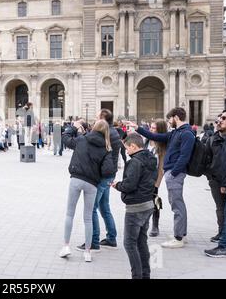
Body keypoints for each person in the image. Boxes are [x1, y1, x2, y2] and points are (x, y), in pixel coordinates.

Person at [127, 107, 195, 248]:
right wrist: (138, 128)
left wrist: (173, 172)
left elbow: (185, 156)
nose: (169, 121)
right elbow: (155, 136)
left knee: (177, 205)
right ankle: (182, 234)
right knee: (175, 203)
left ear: (176, 117)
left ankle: (178, 238)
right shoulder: (176, 132)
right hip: (171, 172)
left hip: (174, 173)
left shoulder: (187, 133)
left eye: (170, 118)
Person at [59, 119, 115, 262]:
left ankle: (66, 246)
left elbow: (65, 139)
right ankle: (88, 252)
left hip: (76, 179)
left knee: (69, 214)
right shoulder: (106, 148)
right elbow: (108, 171)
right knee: (88, 218)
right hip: (92, 184)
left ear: (94, 128)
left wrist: (73, 127)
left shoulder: (82, 139)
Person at [112, 133, 158, 279]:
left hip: (136, 207)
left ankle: (137, 275)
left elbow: (129, 185)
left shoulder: (135, 162)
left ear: (133, 146)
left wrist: (117, 185)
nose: (126, 151)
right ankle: (146, 274)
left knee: (129, 243)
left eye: (126, 148)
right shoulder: (151, 158)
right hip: (148, 204)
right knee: (141, 241)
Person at [78, 109, 121, 252]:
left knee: (92, 209)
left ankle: (94, 242)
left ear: (102, 119)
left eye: (97, 117)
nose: (95, 119)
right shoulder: (113, 131)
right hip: (110, 174)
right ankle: (111, 238)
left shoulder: (106, 133)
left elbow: (90, 144)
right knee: (104, 206)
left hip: (103, 175)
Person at [205, 108, 226, 258]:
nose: (219, 120)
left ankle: (225, 245)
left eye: (223, 117)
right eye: (219, 118)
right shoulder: (224, 139)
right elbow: (224, 163)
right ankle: (225, 240)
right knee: (225, 211)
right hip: (221, 180)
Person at [144, 119, 167, 237]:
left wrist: (157, 183)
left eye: (154, 128)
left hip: (154, 178)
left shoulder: (162, 146)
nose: (151, 130)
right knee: (143, 200)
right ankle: (144, 224)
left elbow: (161, 168)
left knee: (155, 200)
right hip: (143, 177)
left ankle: (155, 225)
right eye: (151, 128)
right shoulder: (146, 142)